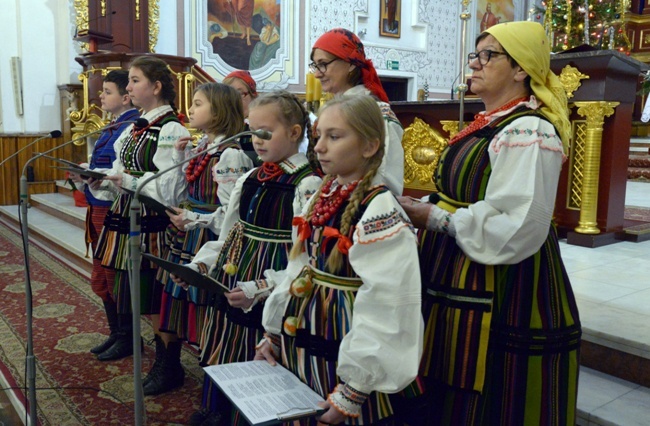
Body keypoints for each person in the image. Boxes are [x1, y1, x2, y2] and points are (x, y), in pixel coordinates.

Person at [398, 21, 581, 425]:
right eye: (474, 56)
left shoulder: (530, 130)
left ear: (521, 70)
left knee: (496, 385)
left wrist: (435, 217)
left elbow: (519, 222)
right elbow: (467, 192)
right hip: (457, 265)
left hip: (505, 280)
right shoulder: (492, 123)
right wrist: (425, 203)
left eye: (489, 56)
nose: (475, 65)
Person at [256, 94, 423, 425]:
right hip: (305, 326)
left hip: (345, 338)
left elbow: (390, 303)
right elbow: (297, 269)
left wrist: (355, 388)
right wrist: (273, 332)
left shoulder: (379, 211)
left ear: (369, 146)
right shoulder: (322, 194)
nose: (318, 147)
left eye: (334, 137)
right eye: (318, 136)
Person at [183, 90, 322, 425]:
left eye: (266, 133)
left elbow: (303, 261)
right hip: (235, 274)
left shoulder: (307, 184)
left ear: (294, 132)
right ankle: (217, 411)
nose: (257, 141)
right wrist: (201, 264)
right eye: (252, 132)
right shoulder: (251, 177)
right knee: (225, 345)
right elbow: (231, 231)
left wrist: (261, 287)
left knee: (253, 360)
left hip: (269, 285)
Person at [142, 82, 254, 396]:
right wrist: (179, 157)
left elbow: (232, 217)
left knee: (207, 313)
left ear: (218, 110)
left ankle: (215, 387)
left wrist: (195, 219)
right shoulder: (202, 147)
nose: (191, 109)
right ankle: (168, 365)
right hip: (186, 234)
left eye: (199, 103)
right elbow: (182, 189)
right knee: (171, 302)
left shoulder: (230, 154)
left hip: (208, 241)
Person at [91, 56, 191, 362]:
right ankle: (133, 342)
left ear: (156, 86)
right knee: (135, 294)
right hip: (126, 214)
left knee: (156, 298)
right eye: (130, 81)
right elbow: (121, 171)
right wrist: (98, 181)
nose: (130, 86)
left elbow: (169, 188)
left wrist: (127, 180)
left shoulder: (170, 128)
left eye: (136, 80)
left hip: (153, 223)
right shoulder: (136, 126)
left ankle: (168, 364)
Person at [68, 70, 140, 359]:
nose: (101, 96)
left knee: (113, 275)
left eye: (107, 91)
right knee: (101, 274)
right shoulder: (113, 125)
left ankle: (128, 337)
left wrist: (97, 174)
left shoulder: (132, 126)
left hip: (111, 206)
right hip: (97, 204)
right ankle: (117, 333)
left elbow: (122, 168)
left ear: (125, 97)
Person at [309, 28, 404, 196]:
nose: (317, 74)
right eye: (315, 66)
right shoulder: (332, 109)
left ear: (351, 63)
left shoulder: (377, 113)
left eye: (323, 65)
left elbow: (387, 179)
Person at [223, 70, 259, 165]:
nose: (234, 99)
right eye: (229, 94)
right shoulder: (219, 127)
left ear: (253, 96)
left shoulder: (258, 127)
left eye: (240, 94)